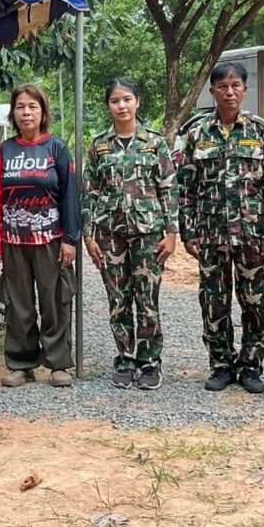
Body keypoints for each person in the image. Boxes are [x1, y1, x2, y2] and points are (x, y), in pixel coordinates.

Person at [177, 62, 264, 394]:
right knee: (214, 303)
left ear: (245, 90)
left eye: (235, 86)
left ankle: (251, 366)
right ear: (212, 91)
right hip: (211, 236)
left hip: (252, 236)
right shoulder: (197, 134)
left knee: (255, 303)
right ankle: (221, 365)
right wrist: (189, 232)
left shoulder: (260, 131)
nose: (229, 92)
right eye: (222, 87)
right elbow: (186, 188)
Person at [83, 79, 177, 390]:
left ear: (137, 102)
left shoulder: (155, 143)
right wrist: (89, 235)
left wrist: (171, 232)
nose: (121, 106)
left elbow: (168, 188)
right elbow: (90, 192)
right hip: (110, 234)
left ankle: (149, 361)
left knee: (147, 299)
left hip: (149, 233)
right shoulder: (99, 145)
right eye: (115, 101)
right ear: (108, 106)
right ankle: (125, 358)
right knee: (118, 299)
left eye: (127, 99)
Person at [0, 84, 79, 388]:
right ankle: (21, 364)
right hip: (14, 241)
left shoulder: (56, 148)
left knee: (55, 302)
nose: (26, 112)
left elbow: (70, 197)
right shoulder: (6, 150)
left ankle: (58, 364)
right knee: (19, 305)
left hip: (51, 241)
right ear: (13, 114)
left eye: (32, 107)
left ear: (42, 112)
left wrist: (70, 239)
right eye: (20, 107)